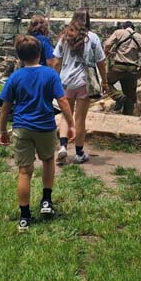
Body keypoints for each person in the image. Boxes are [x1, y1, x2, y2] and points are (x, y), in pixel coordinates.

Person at [0, 34, 75, 232]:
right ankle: (46, 201)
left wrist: (2, 131)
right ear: (40, 53)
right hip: (45, 126)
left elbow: (5, 107)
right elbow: (63, 100)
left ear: (19, 56)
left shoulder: (15, 77)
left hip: (22, 127)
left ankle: (24, 217)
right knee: (48, 160)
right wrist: (71, 123)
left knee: (24, 171)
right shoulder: (50, 75)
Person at [53, 9, 107, 165]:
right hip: (84, 82)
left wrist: (54, 79)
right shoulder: (93, 38)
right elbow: (101, 62)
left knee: (65, 115)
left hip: (66, 81)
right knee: (80, 118)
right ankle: (79, 153)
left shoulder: (64, 37)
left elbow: (56, 62)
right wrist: (104, 81)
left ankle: (63, 146)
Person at [104, 21, 141, 115]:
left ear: (124, 27)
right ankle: (127, 116)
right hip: (132, 69)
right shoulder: (140, 37)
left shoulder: (119, 32)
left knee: (105, 82)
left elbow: (107, 44)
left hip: (118, 66)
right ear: (133, 28)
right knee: (130, 96)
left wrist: (107, 52)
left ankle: (118, 96)